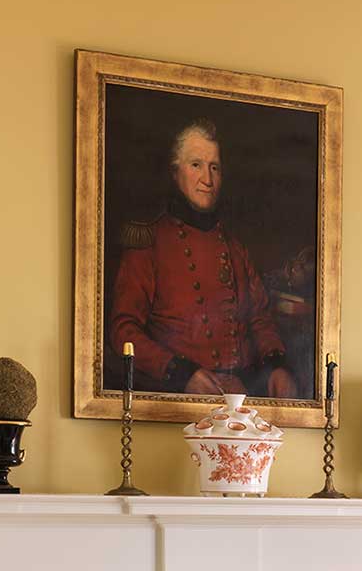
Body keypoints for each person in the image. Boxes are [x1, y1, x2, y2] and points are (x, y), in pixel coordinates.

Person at [109, 119, 297, 398]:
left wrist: (277, 366)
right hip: (175, 399)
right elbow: (123, 332)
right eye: (196, 165)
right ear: (175, 172)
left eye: (215, 167)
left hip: (241, 399)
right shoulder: (148, 243)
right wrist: (181, 373)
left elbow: (259, 319)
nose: (207, 180)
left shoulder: (234, 248)